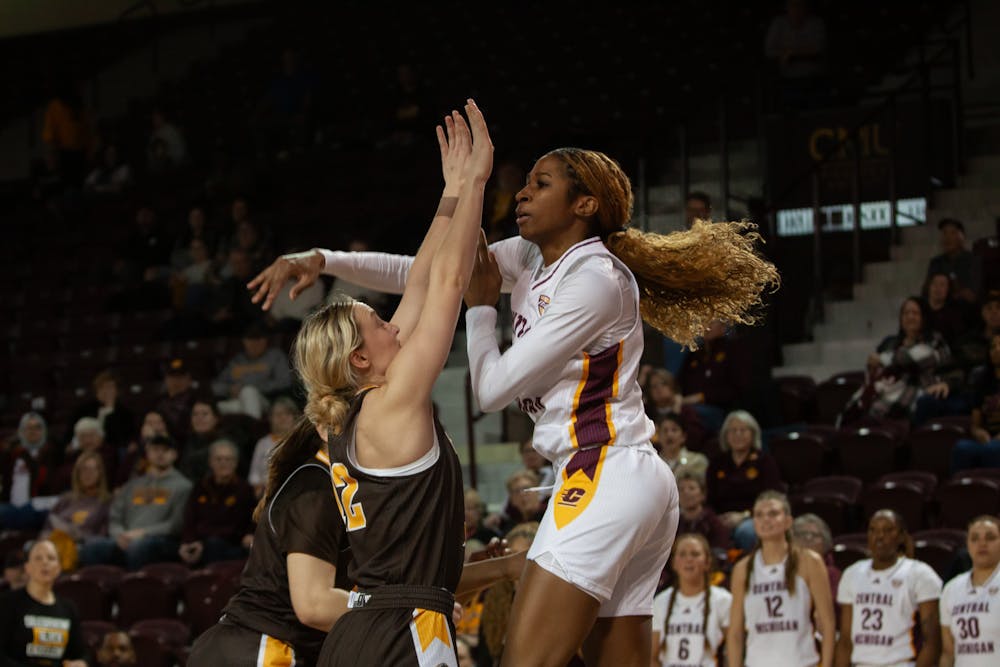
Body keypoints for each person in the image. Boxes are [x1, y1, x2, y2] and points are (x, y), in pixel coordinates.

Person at [249, 145, 777, 667]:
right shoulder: (528, 258)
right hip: (617, 475)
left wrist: (481, 310)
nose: (522, 194)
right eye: (525, 182)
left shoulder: (593, 279)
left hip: (604, 469)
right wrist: (326, 261)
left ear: (584, 204)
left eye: (541, 184)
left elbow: (491, 389)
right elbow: (426, 274)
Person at [727, 491, 835, 667]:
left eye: (773, 513)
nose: (765, 520)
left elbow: (828, 623)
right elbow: (735, 633)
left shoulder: (809, 561)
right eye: (759, 515)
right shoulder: (742, 569)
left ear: (788, 521)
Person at [835, 510, 942, 667]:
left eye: (888, 530)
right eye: (873, 530)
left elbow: (932, 640)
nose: (879, 536)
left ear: (901, 536)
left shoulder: (919, 573)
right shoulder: (852, 573)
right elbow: (845, 640)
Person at [79, 435, 192, 570]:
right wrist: (120, 535)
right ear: (147, 453)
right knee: (92, 546)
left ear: (175, 455)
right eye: (155, 450)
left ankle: (137, 583)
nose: (160, 454)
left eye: (165, 450)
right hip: (126, 538)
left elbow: (176, 524)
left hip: (161, 540)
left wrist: (142, 533)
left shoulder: (183, 486)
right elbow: (115, 517)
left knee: (138, 547)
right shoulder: (132, 485)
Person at [853, 296, 953, 424]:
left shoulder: (935, 340)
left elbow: (913, 360)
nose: (910, 317)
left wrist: (883, 359)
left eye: (915, 313)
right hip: (888, 389)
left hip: (920, 390)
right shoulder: (891, 343)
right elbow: (876, 367)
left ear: (924, 317)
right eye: (906, 313)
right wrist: (873, 365)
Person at [0, 540, 88, 666]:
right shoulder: (7, 603)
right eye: (38, 558)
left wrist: (82, 662)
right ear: (27, 567)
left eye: (51, 558)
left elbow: (81, 653)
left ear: (58, 568)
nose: (45, 562)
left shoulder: (68, 608)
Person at [651, 533, 732, 667]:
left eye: (695, 554)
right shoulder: (660, 601)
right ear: (674, 563)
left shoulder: (723, 600)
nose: (688, 559)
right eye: (682, 554)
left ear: (707, 562)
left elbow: (733, 648)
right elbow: (652, 657)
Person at [706, 410, 782, 551]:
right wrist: (716, 518)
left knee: (746, 532)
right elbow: (709, 497)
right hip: (721, 517)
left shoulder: (764, 461)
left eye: (743, 430)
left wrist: (744, 515)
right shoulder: (717, 462)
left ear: (753, 434)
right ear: (725, 435)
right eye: (733, 431)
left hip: (754, 516)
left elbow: (771, 498)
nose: (738, 435)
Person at [178, 439, 255, 566]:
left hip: (229, 543)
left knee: (213, 545)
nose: (223, 463)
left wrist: (201, 541)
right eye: (218, 459)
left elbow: (242, 525)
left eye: (228, 459)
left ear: (235, 463)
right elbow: (190, 518)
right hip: (199, 542)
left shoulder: (244, 489)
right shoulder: (200, 487)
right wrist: (189, 542)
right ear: (210, 462)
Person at [940, 515, 1000, 666]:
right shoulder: (951, 588)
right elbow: (948, 653)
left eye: (990, 538)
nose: (982, 544)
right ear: (967, 544)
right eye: (974, 538)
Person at [212, 321, 293, 419]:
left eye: (259, 339)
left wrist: (250, 387)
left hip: (267, 401)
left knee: (248, 392)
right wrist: (229, 389)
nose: (255, 344)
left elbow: (285, 382)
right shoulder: (238, 360)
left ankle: (253, 426)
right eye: (250, 339)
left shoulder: (275, 356)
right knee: (212, 408)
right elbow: (216, 386)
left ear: (266, 340)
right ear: (244, 341)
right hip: (237, 401)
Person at [41, 451, 111, 552]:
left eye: (92, 469)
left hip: (81, 547)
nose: (87, 474)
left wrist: (76, 534)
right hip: (53, 544)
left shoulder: (106, 502)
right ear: (77, 473)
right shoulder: (66, 499)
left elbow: (102, 538)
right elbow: (47, 526)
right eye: (83, 469)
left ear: (100, 472)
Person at [951, 333, 1000, 472]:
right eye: (993, 347)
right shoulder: (982, 382)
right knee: (962, 448)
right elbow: (975, 424)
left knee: (993, 449)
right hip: (988, 439)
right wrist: (979, 433)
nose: (997, 349)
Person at [247, 397, 301, 496]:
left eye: (287, 414)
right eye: (278, 414)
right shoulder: (262, 443)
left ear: (294, 417)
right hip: (267, 493)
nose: (283, 418)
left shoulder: (301, 442)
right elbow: (254, 475)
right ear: (271, 418)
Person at [791, 513, 840, 618]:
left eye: (814, 535)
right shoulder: (783, 570)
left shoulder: (832, 574)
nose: (808, 539)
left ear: (825, 542)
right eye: (801, 534)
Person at [926, 218, 980, 304]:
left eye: (952, 233)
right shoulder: (936, 262)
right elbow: (927, 290)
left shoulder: (972, 260)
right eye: (944, 233)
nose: (947, 238)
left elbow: (973, 294)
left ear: (962, 237)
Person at [675, 467, 729, 551]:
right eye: (681, 489)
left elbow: (720, 552)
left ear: (703, 494)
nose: (686, 493)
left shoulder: (714, 524)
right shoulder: (673, 523)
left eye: (691, 488)